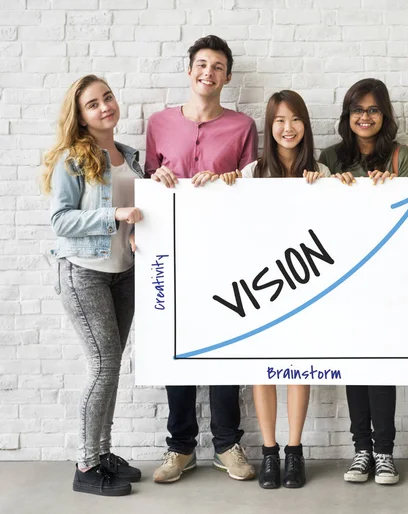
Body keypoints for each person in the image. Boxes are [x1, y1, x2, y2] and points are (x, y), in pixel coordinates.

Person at [146, 35, 258, 484]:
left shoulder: (243, 126)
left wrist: (232, 180)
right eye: (201, 64)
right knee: (178, 348)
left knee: (225, 347)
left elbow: (252, 189)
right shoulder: (158, 123)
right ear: (189, 70)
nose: (207, 72)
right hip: (172, 252)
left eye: (217, 67)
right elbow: (148, 183)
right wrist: (156, 176)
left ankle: (227, 443)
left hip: (225, 252)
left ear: (227, 77)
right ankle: (180, 448)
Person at [222, 90, 330, 489]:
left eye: (296, 119)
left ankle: (294, 451)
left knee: (298, 368)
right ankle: (269, 453)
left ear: (305, 124)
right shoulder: (252, 172)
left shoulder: (320, 171)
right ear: (270, 126)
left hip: (303, 284)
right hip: (261, 285)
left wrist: (330, 188)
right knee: (261, 369)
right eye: (280, 120)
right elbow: (228, 216)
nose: (288, 128)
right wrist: (225, 184)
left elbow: (337, 224)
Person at [43, 75, 145, 496]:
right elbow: (60, 220)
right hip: (83, 272)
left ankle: (102, 453)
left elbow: (141, 214)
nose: (105, 106)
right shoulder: (73, 158)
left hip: (123, 273)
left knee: (112, 366)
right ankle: (86, 464)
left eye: (107, 97)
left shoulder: (131, 157)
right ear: (81, 117)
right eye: (92, 104)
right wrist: (115, 215)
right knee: (103, 366)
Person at [318, 78, 408, 485]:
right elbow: (315, 215)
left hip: (387, 279)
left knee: (380, 365)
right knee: (352, 366)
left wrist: (386, 191)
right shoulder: (328, 157)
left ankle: (384, 453)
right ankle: (361, 450)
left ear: (385, 116)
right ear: (347, 116)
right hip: (339, 280)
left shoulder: (402, 157)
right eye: (358, 110)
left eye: (374, 110)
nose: (365, 117)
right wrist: (330, 184)